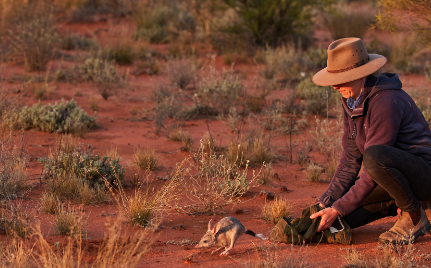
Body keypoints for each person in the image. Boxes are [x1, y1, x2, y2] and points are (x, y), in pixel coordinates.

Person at [309, 37, 431, 244]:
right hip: (394, 179)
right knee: (330, 225)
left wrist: (339, 207)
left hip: (424, 176)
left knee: (374, 156)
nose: (335, 87)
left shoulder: (385, 101)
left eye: (342, 79)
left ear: (360, 75)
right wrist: (327, 203)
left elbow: (376, 162)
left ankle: (414, 216)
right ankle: (399, 203)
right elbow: (349, 160)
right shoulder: (351, 100)